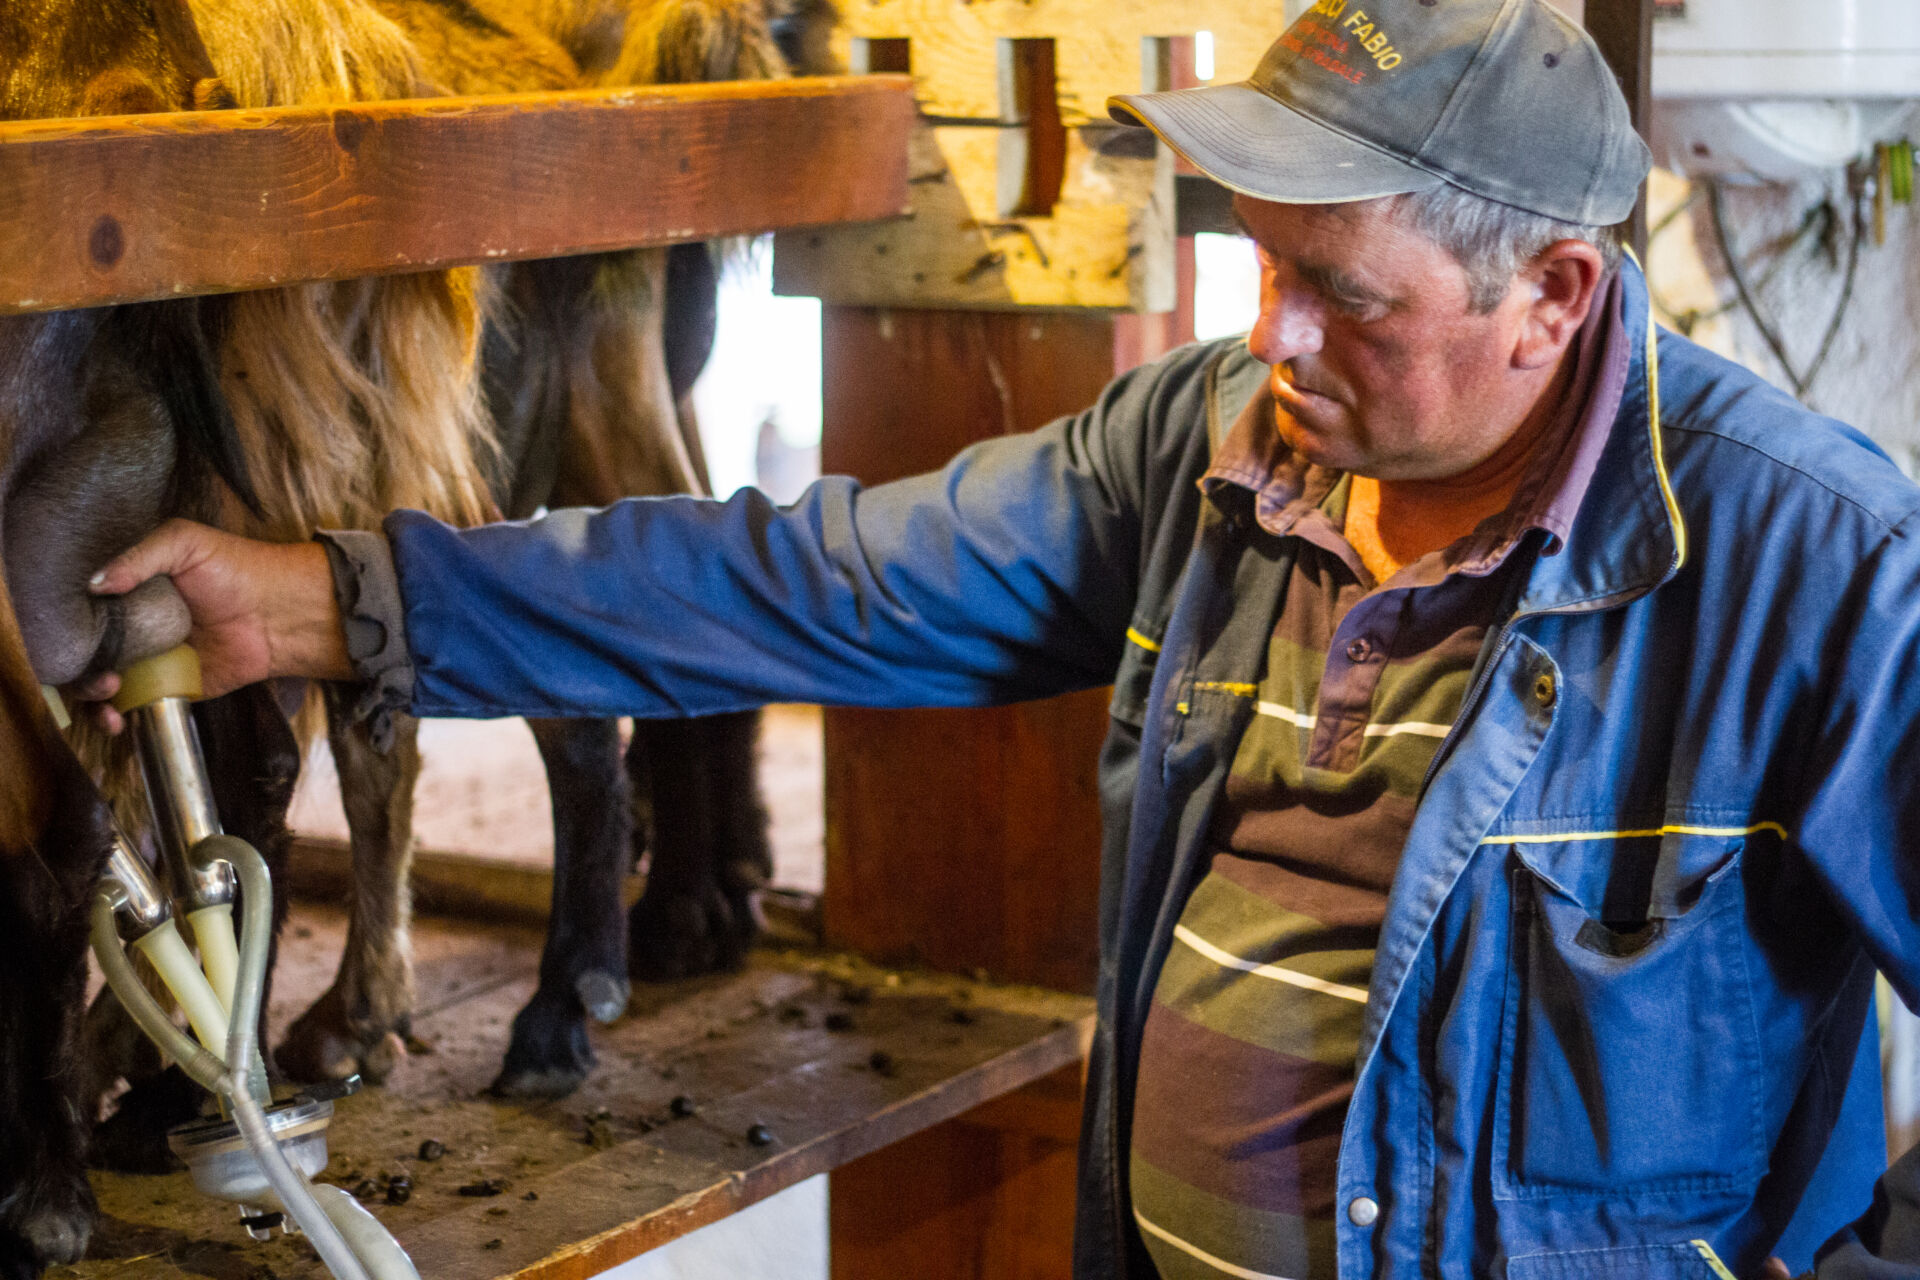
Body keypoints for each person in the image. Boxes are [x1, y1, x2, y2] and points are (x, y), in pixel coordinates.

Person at [78, 0, 1920, 1275]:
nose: (1268, 335)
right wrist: (334, 600)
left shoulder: (1815, 566)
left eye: (1339, 294)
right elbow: (815, 579)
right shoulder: (1211, 450)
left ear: (1555, 296)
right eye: (1260, 262)